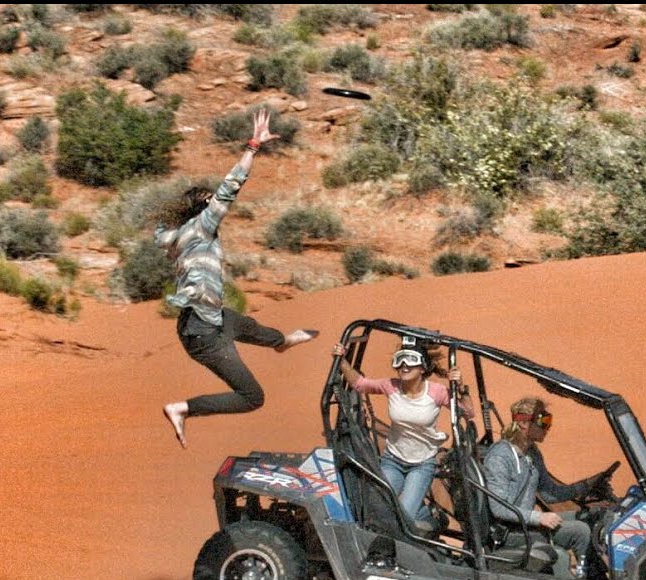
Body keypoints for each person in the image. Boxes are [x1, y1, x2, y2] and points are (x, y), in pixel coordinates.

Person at [160, 109, 318, 448]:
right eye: (210, 205)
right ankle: (183, 408)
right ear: (203, 210)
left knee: (247, 326)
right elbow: (230, 187)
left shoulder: (176, 234)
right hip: (204, 335)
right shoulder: (202, 228)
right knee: (252, 397)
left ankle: (281, 342)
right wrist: (253, 146)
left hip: (202, 319)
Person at [332, 339, 474, 532]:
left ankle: (432, 516)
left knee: (404, 518)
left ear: (422, 367)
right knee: (379, 510)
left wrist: (462, 388)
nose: (404, 366)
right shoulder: (391, 386)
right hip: (393, 460)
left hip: (422, 464)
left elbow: (468, 413)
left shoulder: (436, 392)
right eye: (400, 361)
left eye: (411, 361)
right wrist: (341, 360)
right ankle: (419, 514)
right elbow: (360, 384)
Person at [481, 396, 598, 579]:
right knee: (580, 531)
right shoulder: (500, 456)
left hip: (525, 524)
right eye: (544, 421)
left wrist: (585, 486)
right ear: (524, 423)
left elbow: (550, 494)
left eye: (549, 420)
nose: (548, 427)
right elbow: (499, 509)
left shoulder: (532, 453)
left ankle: (595, 576)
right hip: (510, 533)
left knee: (588, 517)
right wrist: (539, 517)